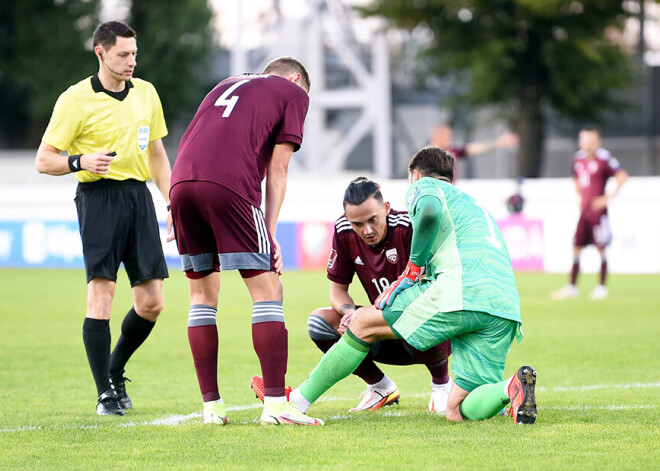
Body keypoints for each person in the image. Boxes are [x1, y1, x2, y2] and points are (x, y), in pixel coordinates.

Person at [286, 147, 538, 425]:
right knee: (456, 410)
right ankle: (510, 387)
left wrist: (413, 268)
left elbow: (428, 209)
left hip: (462, 291)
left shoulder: (424, 187)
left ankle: (296, 403)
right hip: (504, 307)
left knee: (361, 322)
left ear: (415, 175)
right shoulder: (472, 204)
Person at [169, 57, 323, 426]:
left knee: (202, 296)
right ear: (296, 78)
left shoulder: (223, 84)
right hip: (229, 187)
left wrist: (181, 203)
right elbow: (278, 167)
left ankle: (212, 409)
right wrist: (269, 232)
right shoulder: (292, 92)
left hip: (181, 186)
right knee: (269, 290)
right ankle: (275, 406)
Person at [35, 21, 172, 416]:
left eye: (134, 53)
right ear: (100, 53)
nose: (132, 61)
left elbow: (158, 154)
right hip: (98, 199)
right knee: (102, 294)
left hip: (139, 197)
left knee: (152, 303)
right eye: (123, 55)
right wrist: (80, 161)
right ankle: (104, 394)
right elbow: (44, 159)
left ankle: (114, 369)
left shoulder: (146, 93)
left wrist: (170, 202)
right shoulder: (75, 99)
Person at [252, 177, 453, 412]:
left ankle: (441, 384)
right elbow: (337, 289)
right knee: (319, 323)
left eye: (373, 220)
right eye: (358, 224)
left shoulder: (408, 227)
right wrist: (348, 312)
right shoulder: (343, 230)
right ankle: (380, 387)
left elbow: (434, 289)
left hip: (422, 331)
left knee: (423, 312)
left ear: (386, 208)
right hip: (381, 330)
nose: (366, 230)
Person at [551, 127, 628, 301]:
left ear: (598, 141)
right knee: (576, 247)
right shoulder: (578, 158)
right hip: (584, 212)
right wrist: (579, 196)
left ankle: (601, 287)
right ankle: (572, 286)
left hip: (598, 213)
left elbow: (622, 176)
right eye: (584, 139)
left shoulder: (605, 158)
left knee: (601, 248)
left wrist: (606, 198)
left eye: (590, 140)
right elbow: (575, 178)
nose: (586, 143)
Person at [430, 124, 519, 180]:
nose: (449, 139)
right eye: (446, 136)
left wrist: (499, 143)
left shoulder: (452, 152)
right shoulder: (428, 156)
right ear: (437, 136)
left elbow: (474, 148)